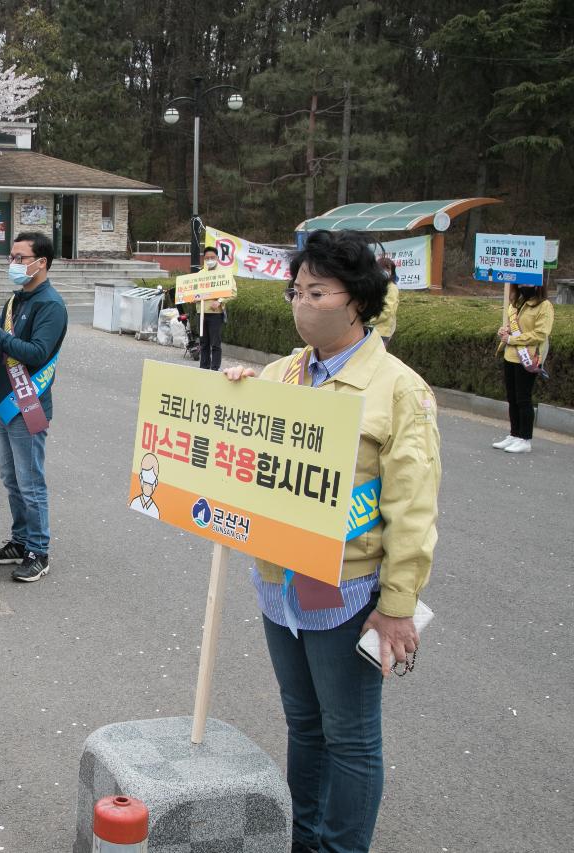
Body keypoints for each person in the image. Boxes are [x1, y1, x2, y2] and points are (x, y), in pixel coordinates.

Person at [223, 229, 441, 853]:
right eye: (296, 290)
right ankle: (305, 839)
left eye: (317, 291)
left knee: (350, 737)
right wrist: (234, 394)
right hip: (278, 583)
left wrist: (396, 605)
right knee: (303, 724)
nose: (300, 303)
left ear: (358, 300)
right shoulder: (281, 373)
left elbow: (413, 510)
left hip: (345, 590)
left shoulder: (399, 390)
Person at [0, 231, 68, 583]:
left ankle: (38, 551)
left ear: (41, 263)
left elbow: (36, 353)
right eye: (11, 257)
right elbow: (2, 341)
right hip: (6, 401)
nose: (12, 263)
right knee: (11, 479)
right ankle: (20, 539)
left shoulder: (51, 305)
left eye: (20, 258)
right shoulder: (17, 300)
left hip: (29, 404)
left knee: (31, 482)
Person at [493, 280, 554, 454]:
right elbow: (512, 328)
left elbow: (540, 333)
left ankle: (525, 439)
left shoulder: (544, 306)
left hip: (528, 358)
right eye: (518, 283)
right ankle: (514, 434)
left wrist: (514, 340)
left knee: (523, 399)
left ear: (536, 284)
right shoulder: (516, 303)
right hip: (510, 356)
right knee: (512, 398)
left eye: (525, 283)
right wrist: (504, 332)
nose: (521, 286)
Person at [198, 245, 236, 370]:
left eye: (212, 257)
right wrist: (191, 298)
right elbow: (191, 293)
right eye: (207, 258)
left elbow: (233, 292)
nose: (210, 260)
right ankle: (203, 368)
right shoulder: (199, 274)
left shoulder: (224, 274)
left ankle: (214, 369)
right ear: (204, 259)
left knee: (215, 344)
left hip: (216, 314)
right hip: (201, 313)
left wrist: (220, 301)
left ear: (217, 258)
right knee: (203, 344)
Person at [370, 256, 400, 346]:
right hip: (369, 330)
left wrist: (368, 320)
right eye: (382, 268)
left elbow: (387, 311)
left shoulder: (391, 288)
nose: (385, 271)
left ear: (392, 272)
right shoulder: (375, 286)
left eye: (388, 268)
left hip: (382, 332)